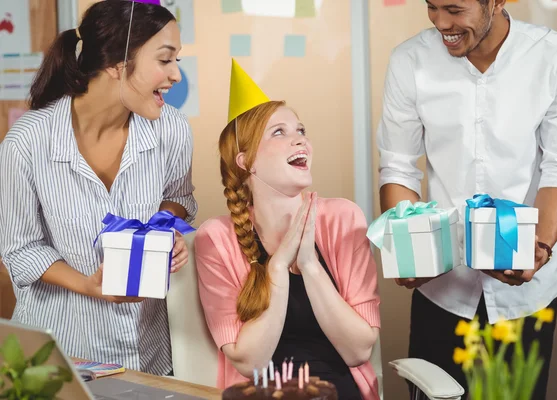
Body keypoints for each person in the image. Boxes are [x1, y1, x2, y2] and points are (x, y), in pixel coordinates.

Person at [376, 0, 557, 398]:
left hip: (526, 296)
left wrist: (538, 248)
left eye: (454, 9)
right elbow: (398, 167)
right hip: (442, 289)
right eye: (432, 7)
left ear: (497, 2)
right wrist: (405, 249)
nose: (441, 23)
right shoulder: (410, 61)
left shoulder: (556, 57)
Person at [0, 0, 197, 376]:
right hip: (60, 349)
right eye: (165, 60)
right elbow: (18, 250)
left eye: (178, 61)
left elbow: (178, 198)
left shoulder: (172, 129)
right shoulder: (28, 142)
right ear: (116, 64)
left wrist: (165, 231)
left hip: (147, 346)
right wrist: (88, 285)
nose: (175, 75)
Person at [194, 60, 381, 399]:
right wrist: (278, 266)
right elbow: (250, 362)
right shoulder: (216, 239)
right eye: (279, 132)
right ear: (245, 161)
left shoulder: (343, 219)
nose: (301, 142)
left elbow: (359, 351)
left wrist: (309, 265)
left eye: (301, 131)